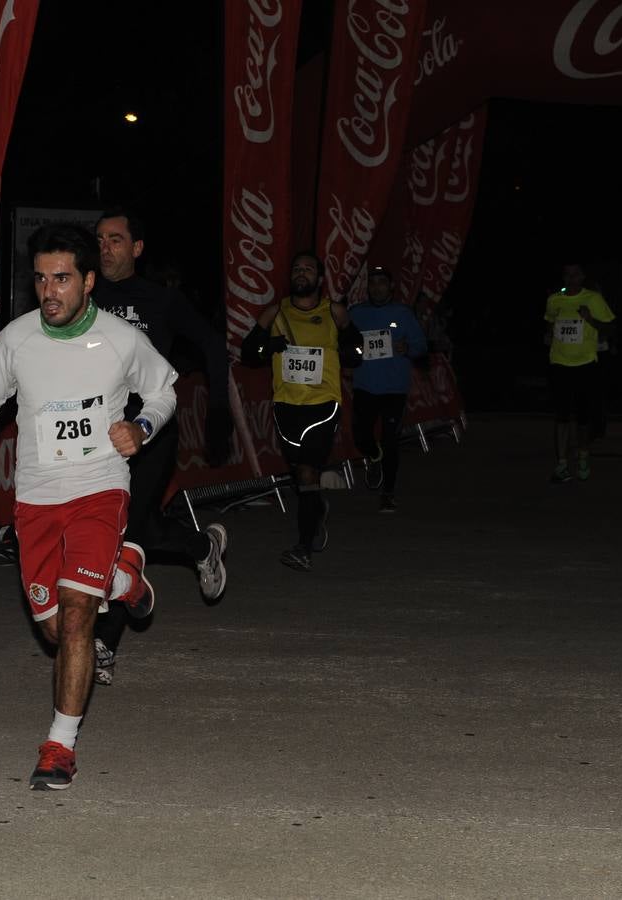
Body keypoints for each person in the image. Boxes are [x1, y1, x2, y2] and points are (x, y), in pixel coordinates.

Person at [0, 223, 176, 790]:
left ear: (88, 281)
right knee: (52, 627)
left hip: (99, 486)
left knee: (75, 615)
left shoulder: (120, 339)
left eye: (63, 278)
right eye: (42, 279)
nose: (50, 291)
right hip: (37, 497)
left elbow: (165, 387)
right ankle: (128, 583)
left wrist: (141, 426)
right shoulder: (17, 339)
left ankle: (58, 747)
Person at [90, 207, 231, 686]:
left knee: (122, 532)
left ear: (137, 249)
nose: (105, 247)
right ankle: (200, 544)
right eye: (100, 240)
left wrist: (218, 412)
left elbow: (213, 345)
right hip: (96, 436)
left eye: (115, 239)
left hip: (149, 433)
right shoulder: (83, 296)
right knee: (142, 530)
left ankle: (104, 643)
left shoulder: (161, 300)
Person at [240, 251, 348, 571]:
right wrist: (268, 347)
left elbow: (356, 348)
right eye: (296, 269)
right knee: (303, 477)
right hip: (286, 405)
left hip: (324, 404)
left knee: (306, 471)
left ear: (320, 279)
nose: (301, 274)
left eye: (308, 269)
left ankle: (303, 548)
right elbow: (249, 352)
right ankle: (316, 510)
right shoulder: (275, 312)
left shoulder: (335, 312)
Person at [348, 266, 427, 512]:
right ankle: (374, 456)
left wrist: (408, 348)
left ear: (391, 287)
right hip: (364, 385)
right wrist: (350, 352)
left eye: (382, 282)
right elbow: (343, 343)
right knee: (361, 435)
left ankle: (388, 493)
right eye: (373, 283)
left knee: (391, 440)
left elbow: (421, 346)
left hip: (394, 388)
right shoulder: (356, 313)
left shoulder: (402, 313)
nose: (377, 287)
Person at [544, 263, 614, 482]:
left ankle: (583, 455)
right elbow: (549, 323)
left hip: (585, 364)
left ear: (582, 277)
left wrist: (589, 319)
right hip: (560, 363)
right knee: (562, 417)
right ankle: (562, 464)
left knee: (583, 418)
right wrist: (553, 335)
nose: (570, 278)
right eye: (567, 274)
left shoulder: (593, 299)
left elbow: (610, 328)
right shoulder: (554, 300)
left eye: (575, 274)